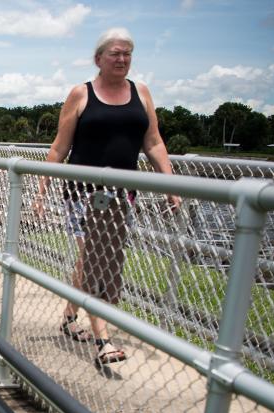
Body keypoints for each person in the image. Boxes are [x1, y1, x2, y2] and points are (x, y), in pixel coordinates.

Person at [35, 27, 179, 366]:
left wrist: (172, 185)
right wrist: (40, 192)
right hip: (84, 192)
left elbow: (154, 143)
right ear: (98, 59)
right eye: (115, 53)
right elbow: (59, 147)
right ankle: (103, 340)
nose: (122, 59)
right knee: (99, 256)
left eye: (127, 53)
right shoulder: (81, 94)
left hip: (121, 195)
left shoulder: (141, 93)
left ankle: (70, 318)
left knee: (90, 259)